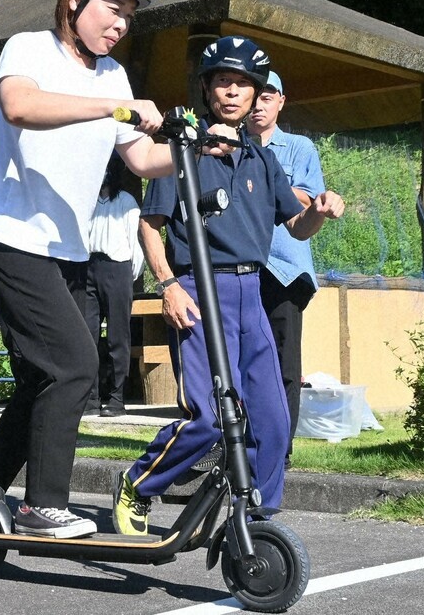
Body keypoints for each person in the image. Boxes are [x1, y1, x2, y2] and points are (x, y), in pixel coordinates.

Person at [0, 0, 241, 540]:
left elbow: (142, 158)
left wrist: (197, 148)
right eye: (111, 9)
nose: (120, 24)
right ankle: (43, 505)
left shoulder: (115, 75)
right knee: (73, 364)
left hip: (65, 250)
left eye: (129, 14)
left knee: (42, 377)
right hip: (12, 239)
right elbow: (19, 105)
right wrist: (112, 106)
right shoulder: (30, 49)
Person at [112, 36, 345, 536]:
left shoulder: (263, 159)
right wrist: (168, 284)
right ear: (207, 88)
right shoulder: (184, 148)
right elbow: (150, 224)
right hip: (198, 290)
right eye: (223, 81)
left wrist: (319, 213)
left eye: (244, 83)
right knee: (210, 418)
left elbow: (297, 225)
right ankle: (138, 483)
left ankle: (257, 523)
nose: (234, 91)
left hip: (251, 292)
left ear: (259, 92)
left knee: (273, 419)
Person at [246, 71, 327, 468]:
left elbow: (303, 200)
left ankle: (281, 448)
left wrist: (251, 187)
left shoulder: (298, 147)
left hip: (285, 271)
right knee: (238, 361)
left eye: (268, 95)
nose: (259, 103)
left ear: (281, 101)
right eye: (254, 94)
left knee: (284, 364)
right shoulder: (227, 144)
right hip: (236, 269)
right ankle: (241, 444)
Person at [84, 155, 144, 418]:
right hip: (88, 267)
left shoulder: (127, 203)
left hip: (118, 269)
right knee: (88, 335)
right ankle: (91, 397)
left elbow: (137, 245)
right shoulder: (87, 203)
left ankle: (117, 398)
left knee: (119, 336)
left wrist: (128, 277)